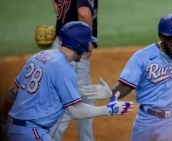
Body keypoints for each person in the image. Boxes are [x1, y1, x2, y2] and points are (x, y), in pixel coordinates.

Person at [82, 14, 172, 141]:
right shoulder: (142, 57)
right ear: (161, 37)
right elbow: (126, 86)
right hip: (144, 120)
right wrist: (110, 92)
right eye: (171, 36)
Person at [3, 21, 134, 141]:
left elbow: (12, 92)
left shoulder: (38, 56)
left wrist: (4, 121)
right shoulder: (64, 69)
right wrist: (108, 110)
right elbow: (76, 111)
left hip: (12, 127)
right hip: (31, 133)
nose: (89, 47)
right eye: (87, 43)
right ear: (80, 45)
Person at [50, 0, 98, 140]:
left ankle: (86, 138)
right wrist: (86, 39)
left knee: (87, 96)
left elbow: (55, 2)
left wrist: (62, 23)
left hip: (62, 41)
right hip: (74, 48)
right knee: (70, 102)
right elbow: (84, 13)